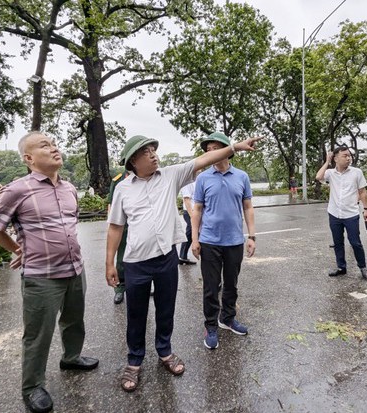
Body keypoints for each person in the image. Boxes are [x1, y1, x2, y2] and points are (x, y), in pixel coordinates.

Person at [106, 134, 260, 393]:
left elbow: (204, 159)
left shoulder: (170, 175)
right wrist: (110, 263)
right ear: (133, 160)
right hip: (135, 263)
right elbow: (115, 227)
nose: (154, 155)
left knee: (166, 310)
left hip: (166, 258)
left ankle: (165, 352)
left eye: (154, 150)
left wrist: (234, 147)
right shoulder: (122, 188)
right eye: (147, 152)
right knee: (136, 314)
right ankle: (134, 361)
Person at [0, 131, 98, 413]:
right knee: (38, 333)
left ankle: (71, 357)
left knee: (74, 320)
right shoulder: (16, 189)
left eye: (55, 144)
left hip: (75, 268)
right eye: (45, 145)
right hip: (41, 276)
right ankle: (32, 386)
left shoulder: (69, 188)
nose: (54, 148)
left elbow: (68, 226)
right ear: (29, 158)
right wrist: (17, 249)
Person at [190, 132, 256, 350]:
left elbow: (247, 207)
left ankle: (227, 319)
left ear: (227, 150)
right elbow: (196, 210)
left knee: (231, 284)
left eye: (215, 148)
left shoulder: (242, 177)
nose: (211, 152)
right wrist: (195, 239)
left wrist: (252, 236)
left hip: (234, 241)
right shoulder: (203, 178)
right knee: (211, 287)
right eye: (208, 149)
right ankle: (210, 326)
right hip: (209, 241)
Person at [315, 145, 367, 280]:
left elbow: (362, 192)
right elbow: (318, 177)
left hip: (351, 214)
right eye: (345, 156)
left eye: (349, 156)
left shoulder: (356, 172)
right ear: (336, 158)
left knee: (355, 242)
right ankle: (341, 267)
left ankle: (363, 267)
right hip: (334, 213)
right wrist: (327, 161)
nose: (348, 158)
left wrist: (366, 209)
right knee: (338, 242)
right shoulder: (330, 173)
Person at [108, 170, 129, 304]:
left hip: (141, 224)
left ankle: (143, 285)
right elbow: (111, 204)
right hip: (123, 224)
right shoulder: (118, 180)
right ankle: (120, 288)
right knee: (122, 258)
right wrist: (112, 224)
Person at [178, 180, 197, 265]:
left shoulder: (198, 180)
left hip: (197, 212)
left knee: (189, 234)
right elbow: (186, 199)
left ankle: (182, 257)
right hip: (190, 212)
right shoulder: (187, 182)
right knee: (196, 232)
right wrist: (192, 216)